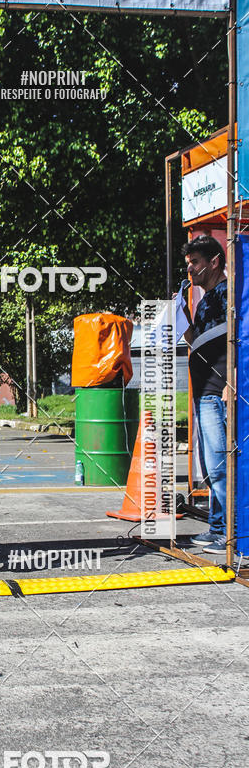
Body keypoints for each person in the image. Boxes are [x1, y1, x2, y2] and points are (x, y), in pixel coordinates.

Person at [180, 235, 229, 556]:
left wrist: (230, 382)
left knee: (219, 464)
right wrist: (182, 314)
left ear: (214, 262)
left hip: (217, 391)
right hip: (203, 393)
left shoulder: (229, 295)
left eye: (195, 263)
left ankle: (230, 533)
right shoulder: (206, 299)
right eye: (188, 264)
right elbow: (195, 340)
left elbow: (240, 339)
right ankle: (217, 527)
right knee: (210, 466)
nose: (190, 270)